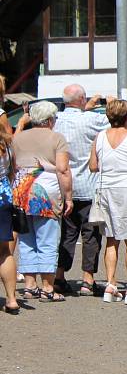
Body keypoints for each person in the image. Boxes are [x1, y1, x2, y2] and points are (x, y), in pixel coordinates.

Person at [89, 99, 127, 305]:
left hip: (105, 189)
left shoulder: (99, 137)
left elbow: (93, 166)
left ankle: (110, 284)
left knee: (111, 239)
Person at [53, 84, 112, 297]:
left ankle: (59, 275)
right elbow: (114, 120)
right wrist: (110, 101)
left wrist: (87, 105)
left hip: (63, 186)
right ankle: (88, 279)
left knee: (66, 235)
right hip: (89, 184)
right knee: (91, 234)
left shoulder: (56, 120)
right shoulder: (91, 120)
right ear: (81, 100)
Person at [12, 101, 73, 303]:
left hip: (21, 191)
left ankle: (30, 286)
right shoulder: (57, 138)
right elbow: (63, 170)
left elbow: (12, 165)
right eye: (54, 118)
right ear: (48, 120)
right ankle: (48, 287)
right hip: (46, 193)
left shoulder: (18, 138)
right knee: (47, 239)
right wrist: (69, 197)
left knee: (26, 240)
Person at [0, 113, 19, 314]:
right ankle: (12, 299)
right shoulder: (7, 144)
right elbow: (13, 171)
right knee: (5, 250)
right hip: (3, 195)